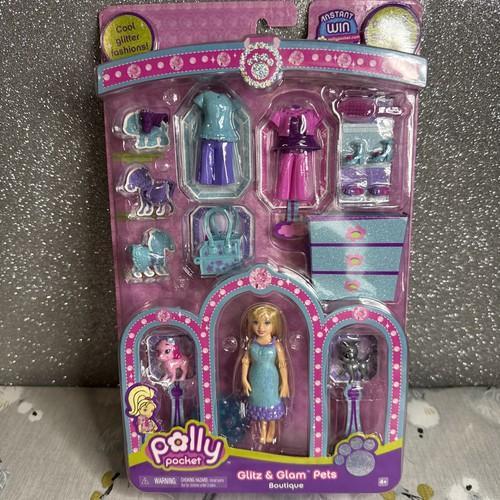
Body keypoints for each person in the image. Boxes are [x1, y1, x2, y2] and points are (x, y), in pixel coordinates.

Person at [241, 304, 290, 445]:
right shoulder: (251, 344)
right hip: (256, 378)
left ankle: (272, 430)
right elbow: (245, 361)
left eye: (267, 323)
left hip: (271, 379)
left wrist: (285, 383)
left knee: (271, 402)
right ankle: (262, 432)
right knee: (259, 404)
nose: (261, 327)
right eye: (256, 322)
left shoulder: (276, 345)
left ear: (274, 325)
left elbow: (282, 365)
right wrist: (244, 379)